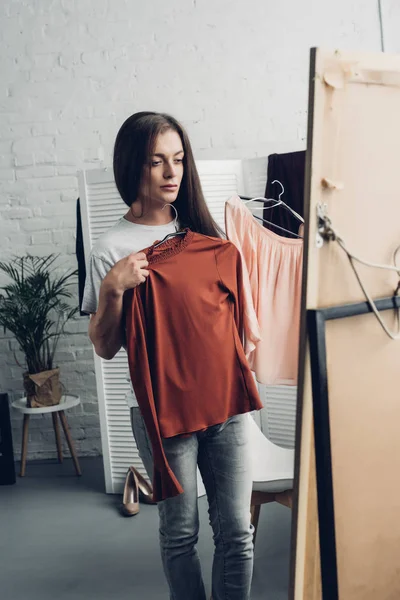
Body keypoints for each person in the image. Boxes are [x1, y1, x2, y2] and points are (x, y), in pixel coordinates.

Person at [82, 111, 256, 600]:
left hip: (225, 404)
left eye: (178, 160)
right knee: (181, 533)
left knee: (238, 530)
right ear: (132, 166)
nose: (171, 172)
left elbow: (238, 321)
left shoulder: (205, 234)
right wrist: (114, 288)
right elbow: (105, 346)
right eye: (157, 161)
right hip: (161, 414)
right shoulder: (110, 248)